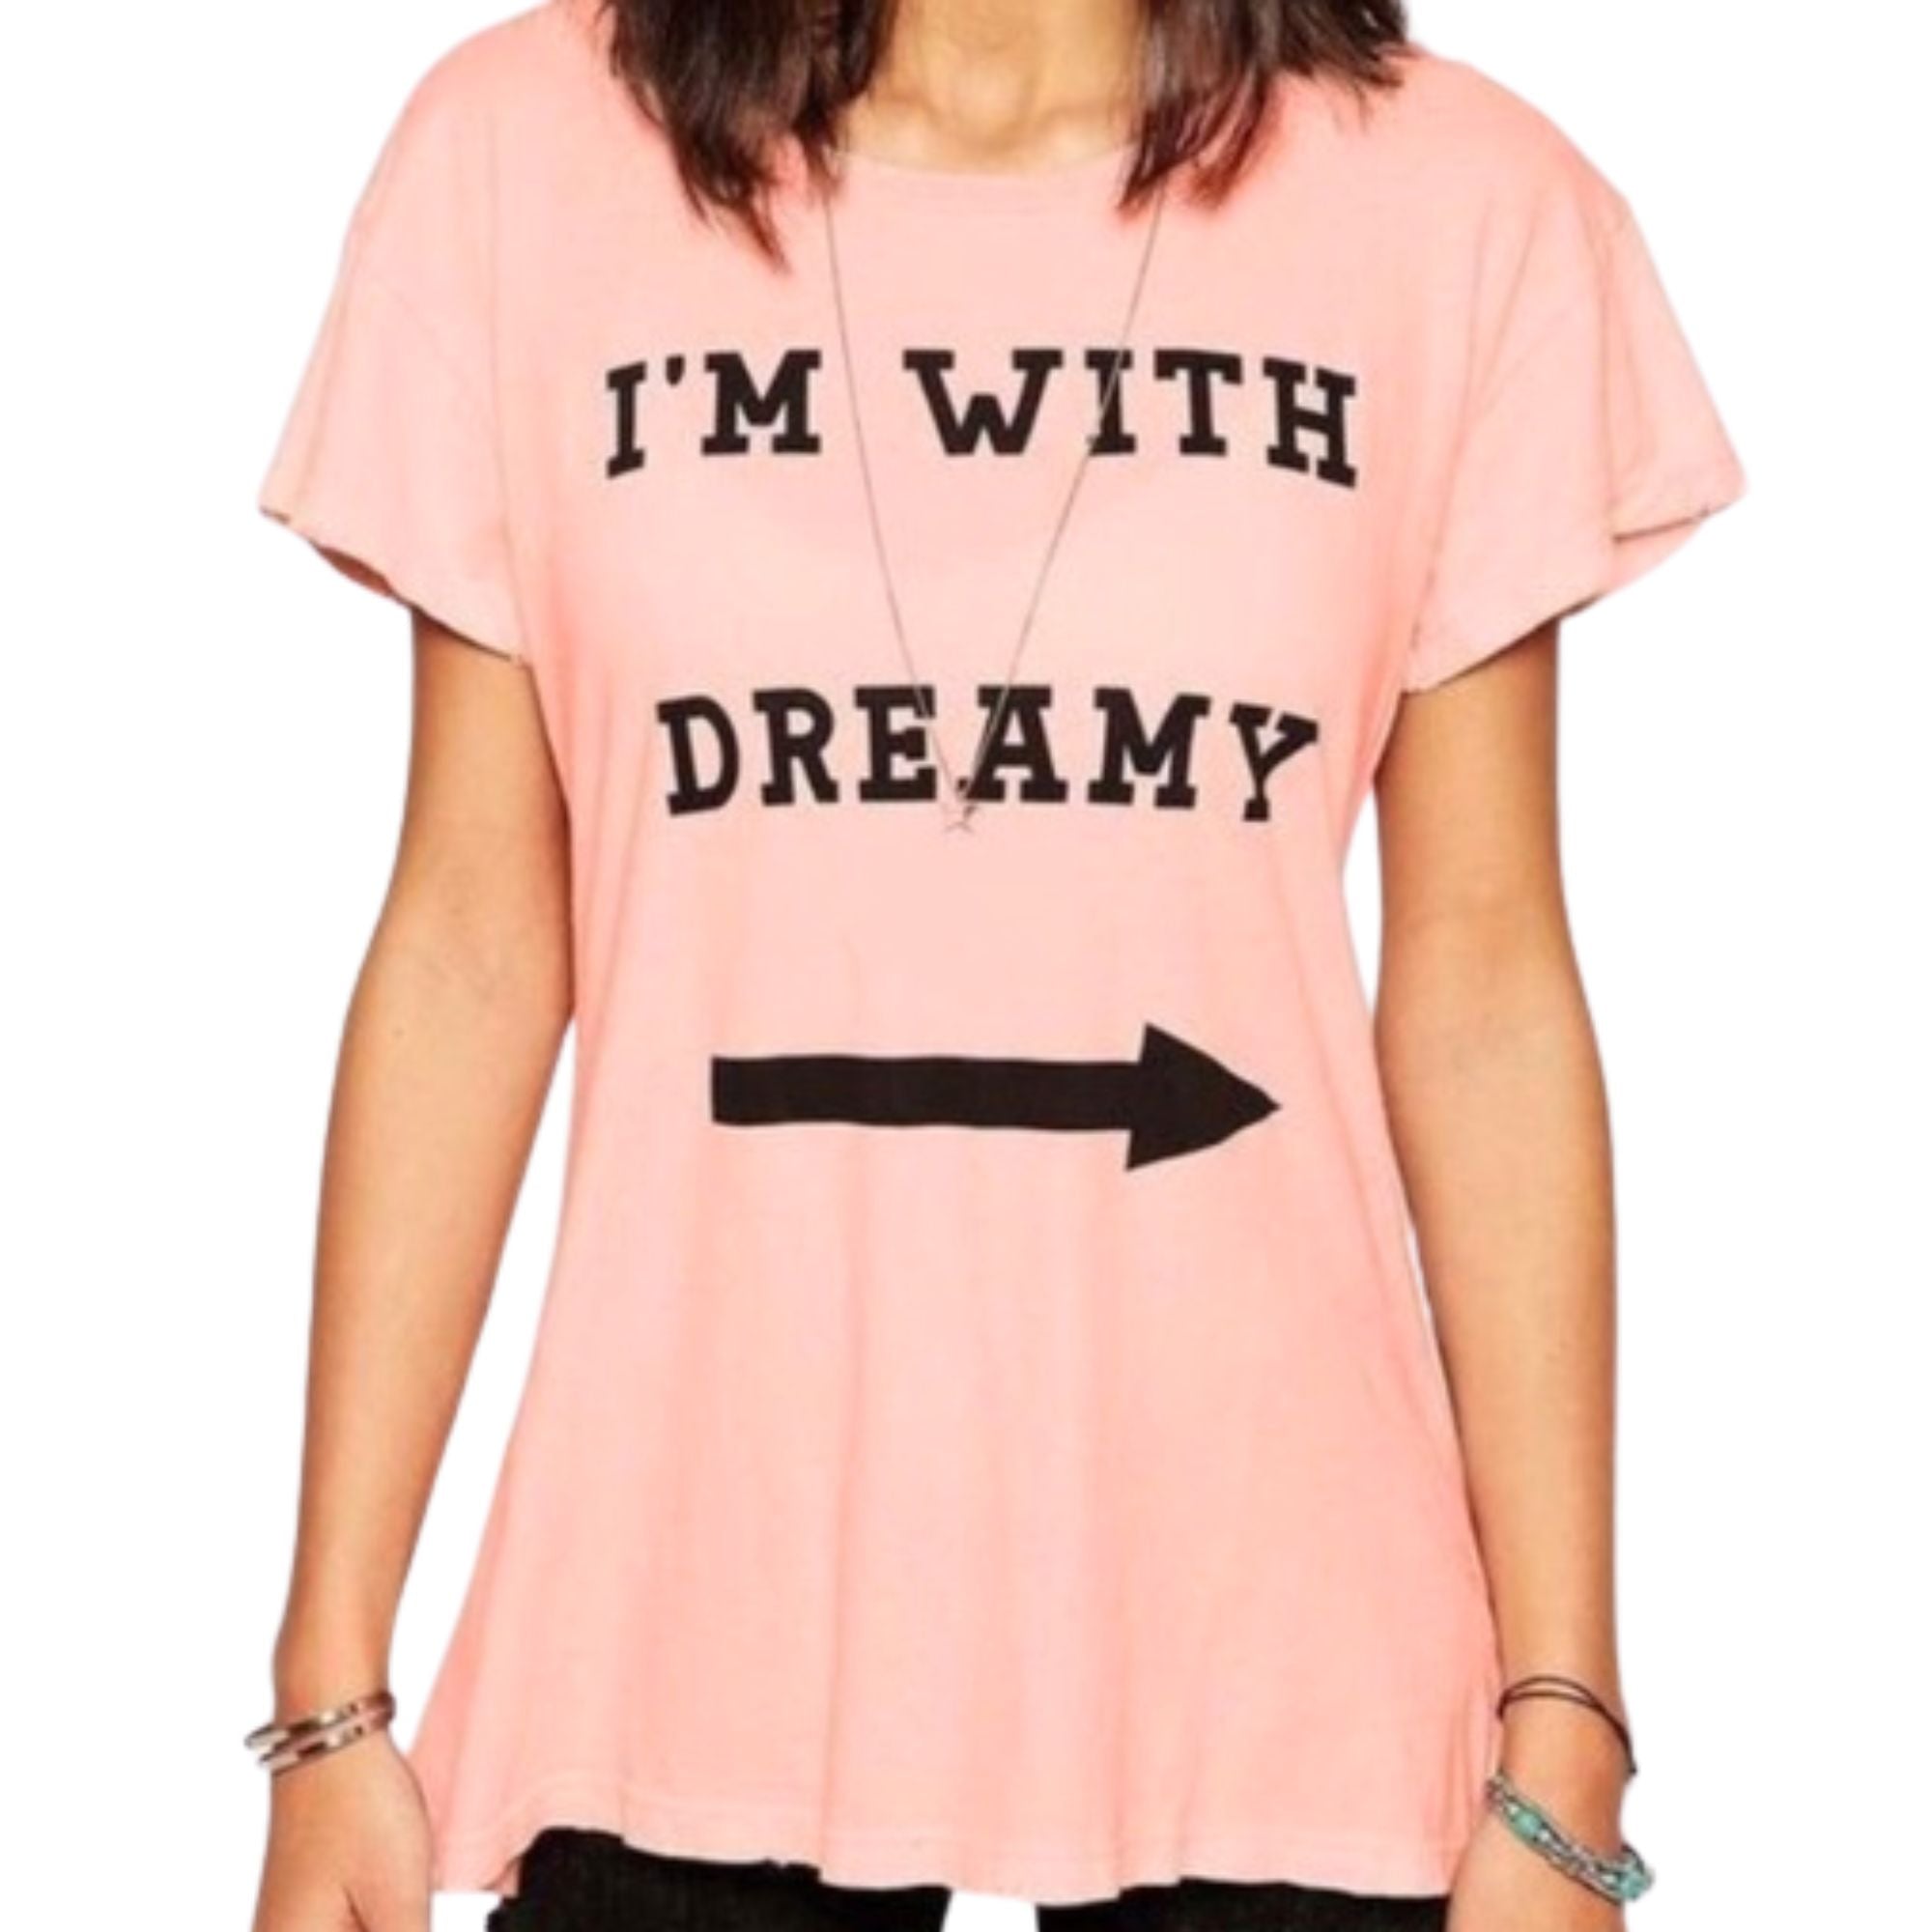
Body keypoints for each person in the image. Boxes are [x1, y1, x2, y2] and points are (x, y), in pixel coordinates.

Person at [243, 1, 1747, 1928]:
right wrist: (329, 1695)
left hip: (1278, 1650)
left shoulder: (1462, 207)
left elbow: (1482, 983)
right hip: (690, 1619)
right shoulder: (520, 161)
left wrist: (1566, 1723)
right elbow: (470, 930)